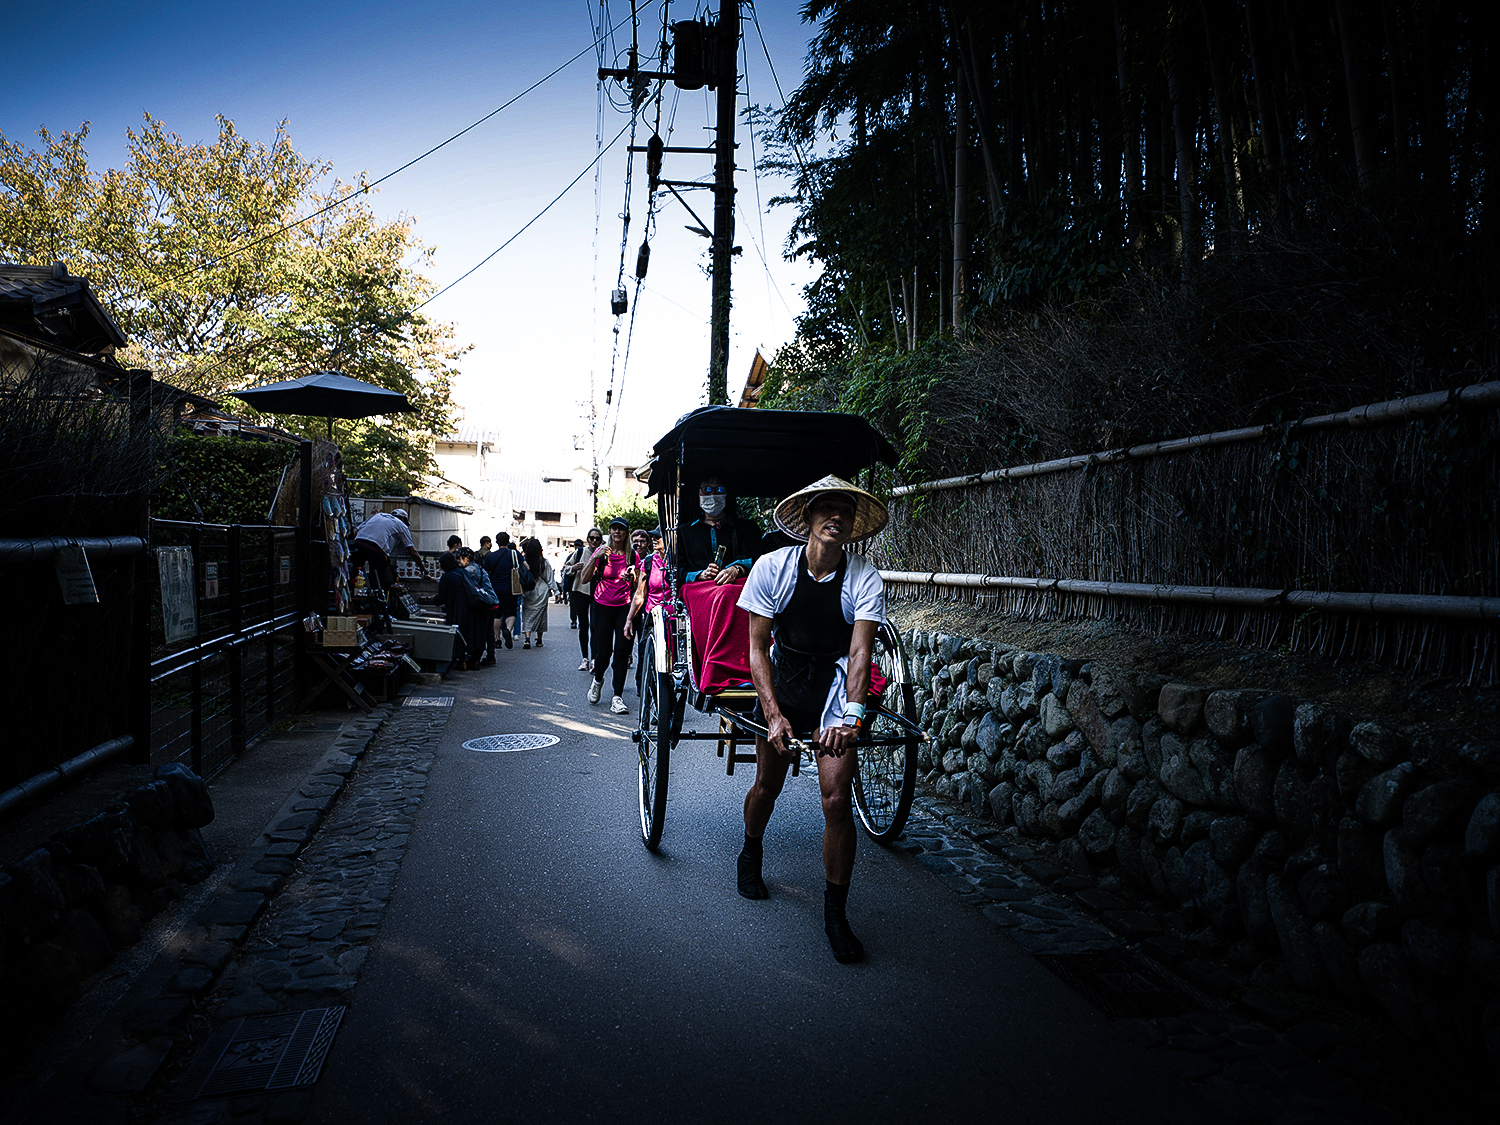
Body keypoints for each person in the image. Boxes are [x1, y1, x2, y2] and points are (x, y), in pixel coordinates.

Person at [735, 475, 889, 965]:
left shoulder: (864, 577)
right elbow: (757, 648)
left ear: (853, 525)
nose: (836, 517)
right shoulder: (772, 567)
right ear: (808, 518)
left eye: (846, 510)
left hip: (835, 687)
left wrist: (852, 719)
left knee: (837, 799)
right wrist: (773, 714)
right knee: (767, 786)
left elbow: (861, 653)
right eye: (827, 508)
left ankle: (835, 915)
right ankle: (751, 850)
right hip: (784, 682)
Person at [581, 517, 638, 714]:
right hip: (602, 606)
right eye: (614, 529)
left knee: (622, 652)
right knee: (604, 652)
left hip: (624, 607)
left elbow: (639, 584)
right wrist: (594, 558)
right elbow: (584, 578)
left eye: (621, 529)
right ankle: (598, 680)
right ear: (610, 532)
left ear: (626, 533)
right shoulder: (602, 553)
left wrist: (633, 577)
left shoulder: (632, 556)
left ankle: (617, 697)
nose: (617, 532)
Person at [681, 476, 758, 585]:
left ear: (727, 494)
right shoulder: (683, 532)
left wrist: (736, 569)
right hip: (697, 589)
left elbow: (755, 558)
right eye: (706, 489)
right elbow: (675, 572)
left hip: (737, 587)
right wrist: (700, 575)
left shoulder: (746, 528)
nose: (713, 494)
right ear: (697, 494)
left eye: (719, 489)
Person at [623, 526, 669, 696]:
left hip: (673, 618)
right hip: (651, 616)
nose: (655, 539)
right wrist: (629, 619)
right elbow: (639, 594)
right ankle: (642, 687)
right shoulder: (649, 562)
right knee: (645, 652)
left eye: (658, 536)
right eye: (654, 536)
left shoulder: (678, 560)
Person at [349, 508, 425, 590]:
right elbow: (412, 552)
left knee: (356, 569)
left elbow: (357, 531)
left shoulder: (377, 515)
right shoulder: (401, 525)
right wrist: (422, 567)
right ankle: (378, 591)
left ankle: (350, 588)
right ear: (403, 518)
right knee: (380, 576)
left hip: (359, 542)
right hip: (377, 548)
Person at [424, 553, 474, 672]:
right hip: (469, 607)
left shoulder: (447, 577)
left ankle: (455, 660)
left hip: (455, 609)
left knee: (454, 634)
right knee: (465, 633)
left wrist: (433, 599)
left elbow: (442, 597)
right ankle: (464, 660)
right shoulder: (463, 572)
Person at [457, 547, 500, 666]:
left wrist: (435, 579)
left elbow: (457, 579)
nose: (458, 561)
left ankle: (476, 658)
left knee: (481, 632)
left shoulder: (470, 570)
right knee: (489, 632)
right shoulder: (478, 567)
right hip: (492, 601)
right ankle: (491, 656)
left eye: (460, 558)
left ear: (467, 558)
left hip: (484, 603)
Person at [567, 529, 600, 668]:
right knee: (583, 626)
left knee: (595, 626)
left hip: (598, 593)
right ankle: (585, 658)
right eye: (592, 538)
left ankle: (594, 659)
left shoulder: (603, 553)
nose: (594, 541)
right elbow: (566, 568)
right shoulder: (580, 552)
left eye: (597, 538)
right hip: (580, 591)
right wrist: (573, 568)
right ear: (588, 539)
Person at [518, 537, 557, 648]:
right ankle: (539, 640)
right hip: (541, 592)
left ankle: (527, 639)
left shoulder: (524, 562)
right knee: (541, 617)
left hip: (528, 591)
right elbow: (550, 578)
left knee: (527, 615)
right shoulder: (544, 562)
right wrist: (556, 591)